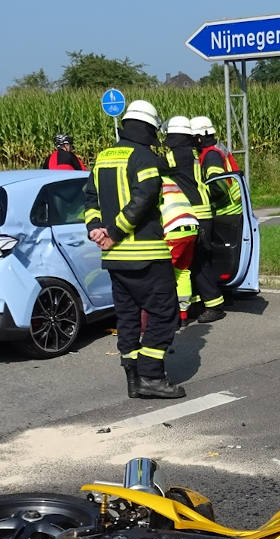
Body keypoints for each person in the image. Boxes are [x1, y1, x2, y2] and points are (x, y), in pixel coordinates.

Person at [83, 100, 185, 400]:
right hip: (146, 255)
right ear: (149, 128)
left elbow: (90, 200)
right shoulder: (144, 157)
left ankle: (133, 379)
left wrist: (97, 229)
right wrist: (114, 233)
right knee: (165, 315)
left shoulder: (102, 158)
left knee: (127, 317)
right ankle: (152, 377)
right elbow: (145, 196)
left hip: (114, 260)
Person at [164, 115, 227, 324]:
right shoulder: (194, 153)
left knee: (198, 262)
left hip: (196, 214)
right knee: (194, 263)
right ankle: (199, 302)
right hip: (202, 214)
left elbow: (157, 166)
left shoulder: (179, 155)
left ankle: (214, 304)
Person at [191, 115, 245, 303]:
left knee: (208, 254)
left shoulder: (211, 155)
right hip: (232, 207)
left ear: (199, 138)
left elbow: (218, 187)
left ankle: (211, 294)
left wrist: (200, 196)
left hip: (224, 210)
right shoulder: (216, 149)